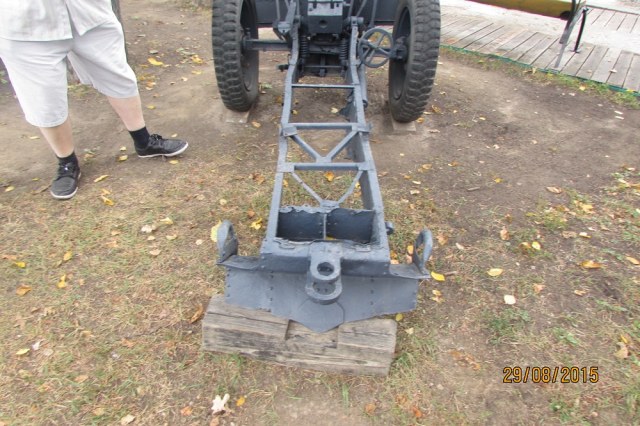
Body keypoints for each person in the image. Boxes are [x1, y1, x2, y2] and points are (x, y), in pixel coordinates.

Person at [0, 0, 188, 200]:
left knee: (119, 76)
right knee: (44, 99)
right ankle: (67, 163)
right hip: (24, 23)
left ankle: (144, 142)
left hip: (88, 11)